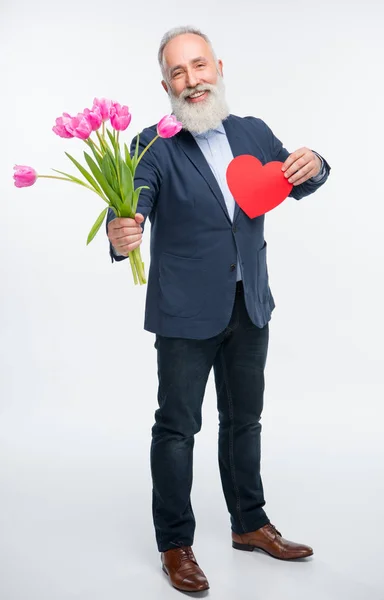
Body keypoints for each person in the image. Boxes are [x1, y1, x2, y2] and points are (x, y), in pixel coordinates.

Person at [106, 25, 330, 594]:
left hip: (250, 304)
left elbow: (296, 181)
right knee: (178, 430)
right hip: (185, 313)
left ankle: (250, 525)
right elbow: (135, 208)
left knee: (244, 422)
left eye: (199, 66)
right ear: (165, 84)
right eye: (178, 72)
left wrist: (316, 162)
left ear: (219, 67)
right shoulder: (151, 146)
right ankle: (175, 543)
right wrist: (121, 234)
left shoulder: (253, 131)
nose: (192, 80)